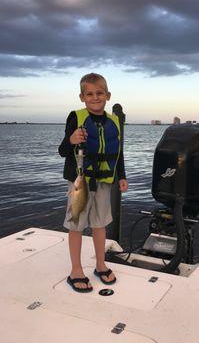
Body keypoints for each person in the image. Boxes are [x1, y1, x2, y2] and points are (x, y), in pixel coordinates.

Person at [58, 73, 128, 293]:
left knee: (100, 224)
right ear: (82, 97)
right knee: (76, 224)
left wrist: (122, 176)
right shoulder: (75, 117)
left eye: (99, 93)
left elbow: (118, 152)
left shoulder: (115, 120)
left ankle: (100, 264)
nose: (95, 97)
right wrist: (72, 140)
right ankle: (76, 270)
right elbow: (62, 150)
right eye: (90, 94)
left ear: (108, 95)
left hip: (104, 181)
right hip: (81, 182)